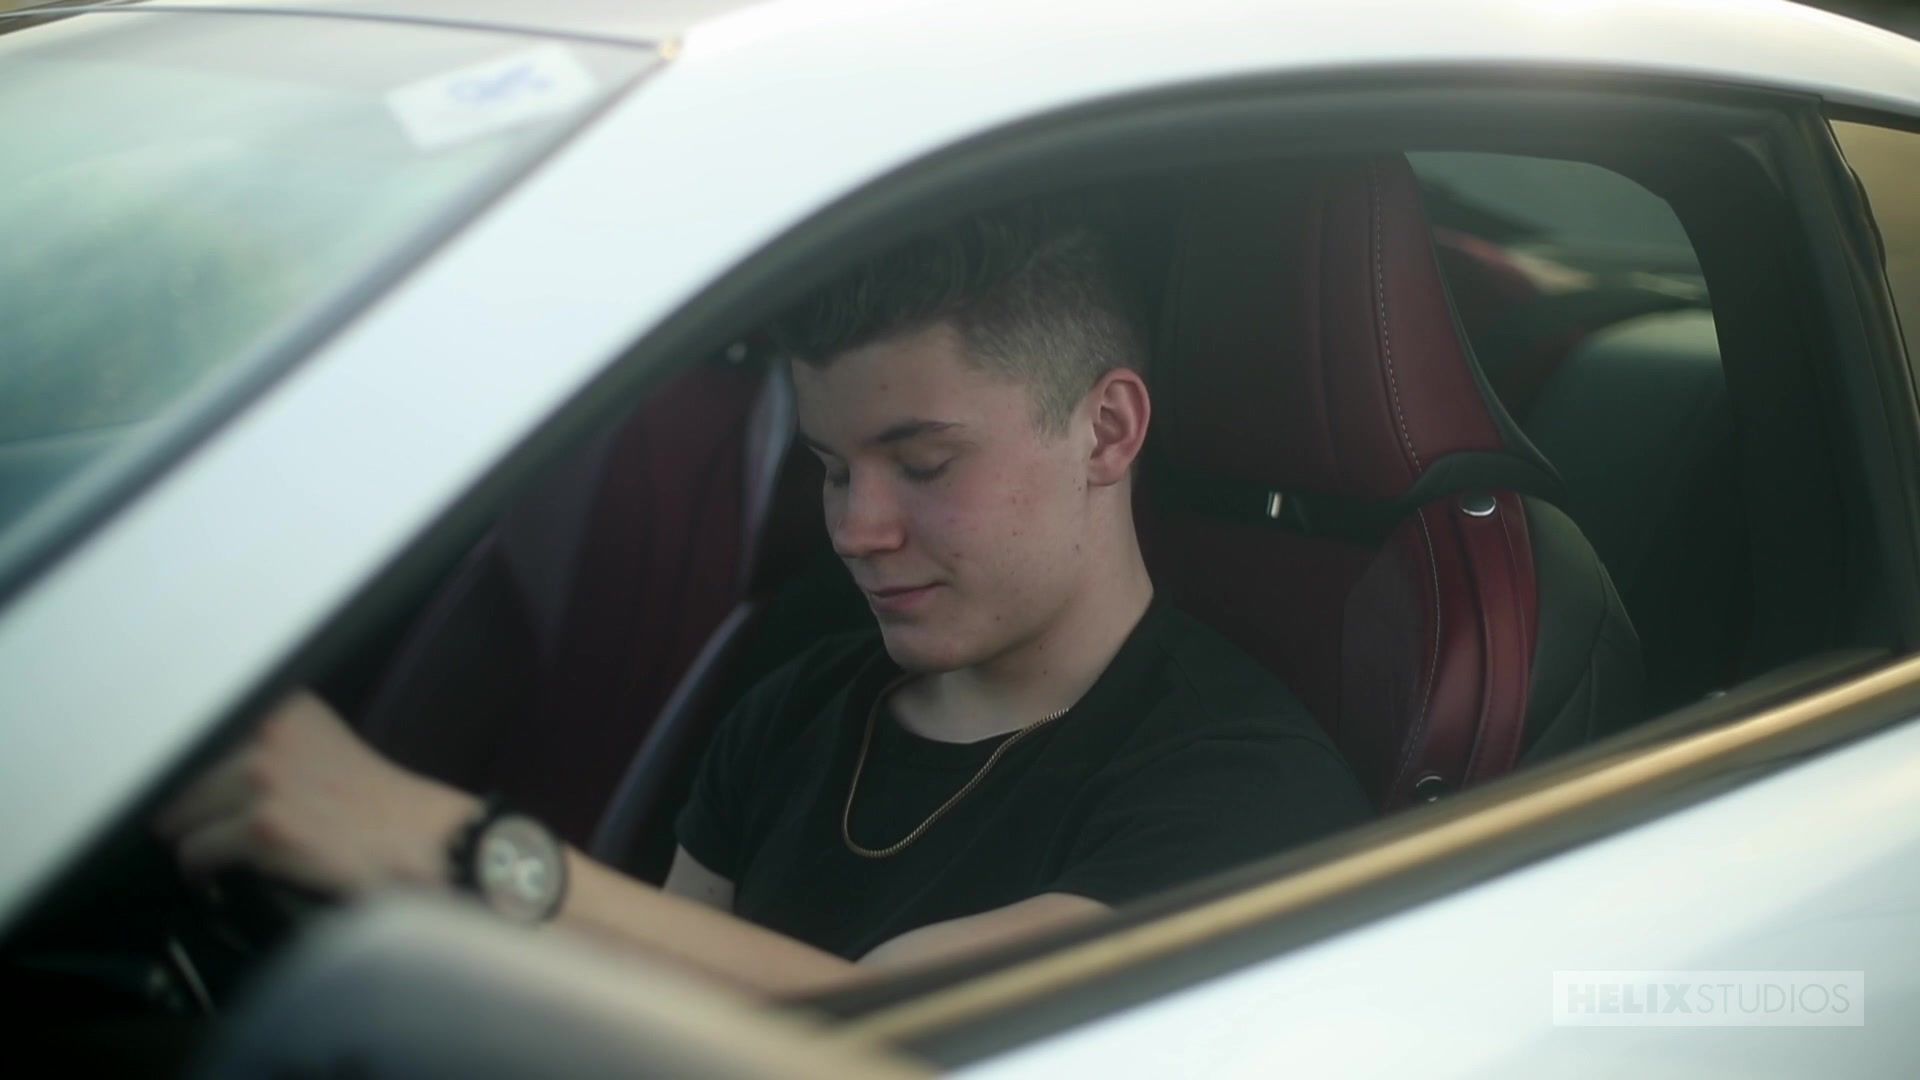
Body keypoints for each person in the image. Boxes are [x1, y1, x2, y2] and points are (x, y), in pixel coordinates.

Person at [154, 200, 1370, 998]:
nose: (855, 528)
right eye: (831, 468)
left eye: (923, 464)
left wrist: (451, 850)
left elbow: (895, 1033)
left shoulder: (1243, 789)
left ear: (1106, 431)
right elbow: (644, 1016)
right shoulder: (797, 707)